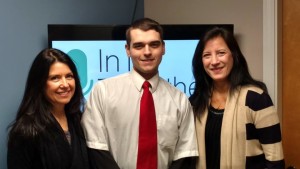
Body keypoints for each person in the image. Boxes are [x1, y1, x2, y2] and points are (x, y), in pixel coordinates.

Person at [81, 17, 198, 169]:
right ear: (127, 50)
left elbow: (184, 154)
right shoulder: (103, 92)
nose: (147, 52)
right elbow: (96, 147)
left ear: (163, 48)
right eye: (139, 46)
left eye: (154, 45)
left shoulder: (180, 100)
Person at [189, 27, 285, 169]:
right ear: (201, 61)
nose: (214, 61)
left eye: (221, 53)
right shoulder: (196, 103)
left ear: (234, 55)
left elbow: (275, 161)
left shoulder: (256, 99)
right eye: (207, 55)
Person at [7, 48, 89, 169]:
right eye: (55, 78)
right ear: (39, 83)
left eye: (69, 76)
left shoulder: (80, 121)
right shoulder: (25, 131)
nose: (65, 84)